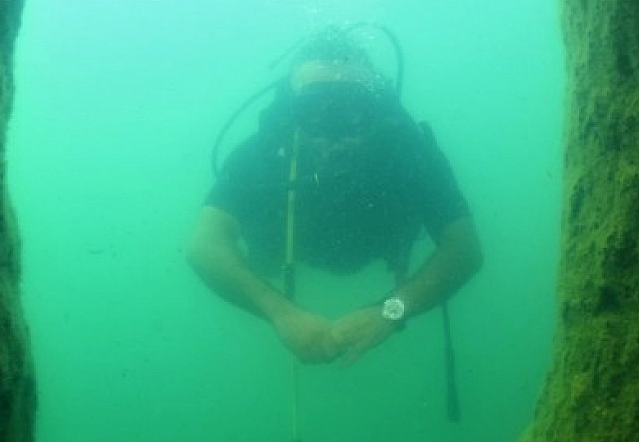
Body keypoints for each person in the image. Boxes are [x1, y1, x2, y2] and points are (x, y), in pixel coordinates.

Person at [186, 27, 482, 365]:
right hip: (288, 244)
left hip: (380, 244)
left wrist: (391, 311)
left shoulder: (406, 148)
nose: (335, 131)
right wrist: (281, 313)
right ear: (293, 111)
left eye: (353, 109)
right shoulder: (267, 149)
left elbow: (465, 247)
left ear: (376, 106)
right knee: (261, 257)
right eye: (315, 110)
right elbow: (204, 245)